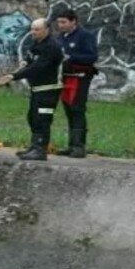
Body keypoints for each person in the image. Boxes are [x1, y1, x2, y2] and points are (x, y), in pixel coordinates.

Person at [0, 18, 65, 161]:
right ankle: (34, 146)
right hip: (37, 89)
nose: (33, 32)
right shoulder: (37, 42)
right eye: (32, 29)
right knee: (33, 118)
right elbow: (31, 59)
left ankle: (41, 150)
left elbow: (38, 67)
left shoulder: (52, 47)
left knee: (43, 119)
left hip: (49, 90)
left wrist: (13, 76)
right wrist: (25, 61)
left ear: (47, 30)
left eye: (37, 29)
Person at [56, 9, 98, 158]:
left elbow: (92, 57)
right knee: (68, 110)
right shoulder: (61, 37)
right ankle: (71, 145)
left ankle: (79, 146)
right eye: (59, 22)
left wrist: (70, 57)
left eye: (64, 22)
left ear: (73, 21)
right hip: (65, 77)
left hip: (80, 78)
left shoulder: (85, 36)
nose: (60, 25)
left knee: (77, 110)